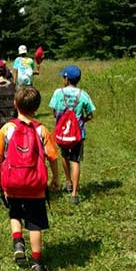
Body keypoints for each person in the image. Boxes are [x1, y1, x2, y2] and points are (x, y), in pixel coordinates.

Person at [0, 86, 59, 271]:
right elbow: (53, 157)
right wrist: (55, 178)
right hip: (36, 185)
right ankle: (37, 263)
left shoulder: (7, 129)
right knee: (35, 223)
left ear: (15, 104)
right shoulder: (42, 130)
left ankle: (18, 243)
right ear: (37, 108)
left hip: (12, 183)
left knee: (15, 214)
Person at [49, 65, 96, 204]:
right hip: (78, 134)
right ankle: (74, 194)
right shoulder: (83, 95)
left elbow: (54, 113)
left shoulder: (58, 93)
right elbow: (90, 115)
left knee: (64, 155)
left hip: (62, 134)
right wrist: (82, 121)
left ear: (67, 78)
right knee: (76, 160)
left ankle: (68, 181)